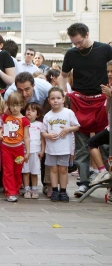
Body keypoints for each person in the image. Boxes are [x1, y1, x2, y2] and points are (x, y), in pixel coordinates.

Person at [57, 23, 112, 191]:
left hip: (101, 99)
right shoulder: (71, 53)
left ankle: (107, 178)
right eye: (74, 43)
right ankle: (83, 183)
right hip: (79, 100)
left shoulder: (104, 49)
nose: (77, 46)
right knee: (81, 143)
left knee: (104, 143)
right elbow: (63, 75)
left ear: (87, 35)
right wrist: (64, 93)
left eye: (79, 42)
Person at [41, 87, 80, 202]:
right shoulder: (47, 116)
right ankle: (54, 190)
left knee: (63, 169)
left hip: (64, 148)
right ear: (49, 101)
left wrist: (68, 129)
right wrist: (48, 135)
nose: (55, 100)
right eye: (52, 98)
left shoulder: (68, 113)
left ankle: (63, 190)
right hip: (51, 148)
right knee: (53, 169)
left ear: (63, 99)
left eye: (58, 98)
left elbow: (77, 126)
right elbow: (43, 131)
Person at [0, 92, 30, 202]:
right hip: (6, 147)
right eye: (12, 105)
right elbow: (3, 129)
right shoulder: (6, 116)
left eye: (17, 105)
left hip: (18, 149)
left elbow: (26, 137)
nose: (15, 108)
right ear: (9, 105)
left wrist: (28, 151)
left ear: (22, 105)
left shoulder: (24, 120)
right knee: (8, 170)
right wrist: (0, 133)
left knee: (17, 170)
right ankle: (10, 192)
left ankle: (15, 189)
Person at [86, 61, 112, 187]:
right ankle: (102, 171)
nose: (110, 74)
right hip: (109, 127)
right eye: (108, 71)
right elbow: (107, 111)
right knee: (92, 142)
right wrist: (108, 97)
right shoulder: (109, 86)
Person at [22, 103, 44, 199]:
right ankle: (27, 189)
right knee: (26, 171)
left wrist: (42, 150)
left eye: (33, 110)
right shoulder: (22, 122)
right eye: (28, 110)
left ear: (38, 114)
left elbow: (43, 139)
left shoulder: (40, 125)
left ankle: (34, 189)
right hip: (24, 152)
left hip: (36, 151)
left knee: (34, 172)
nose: (29, 112)